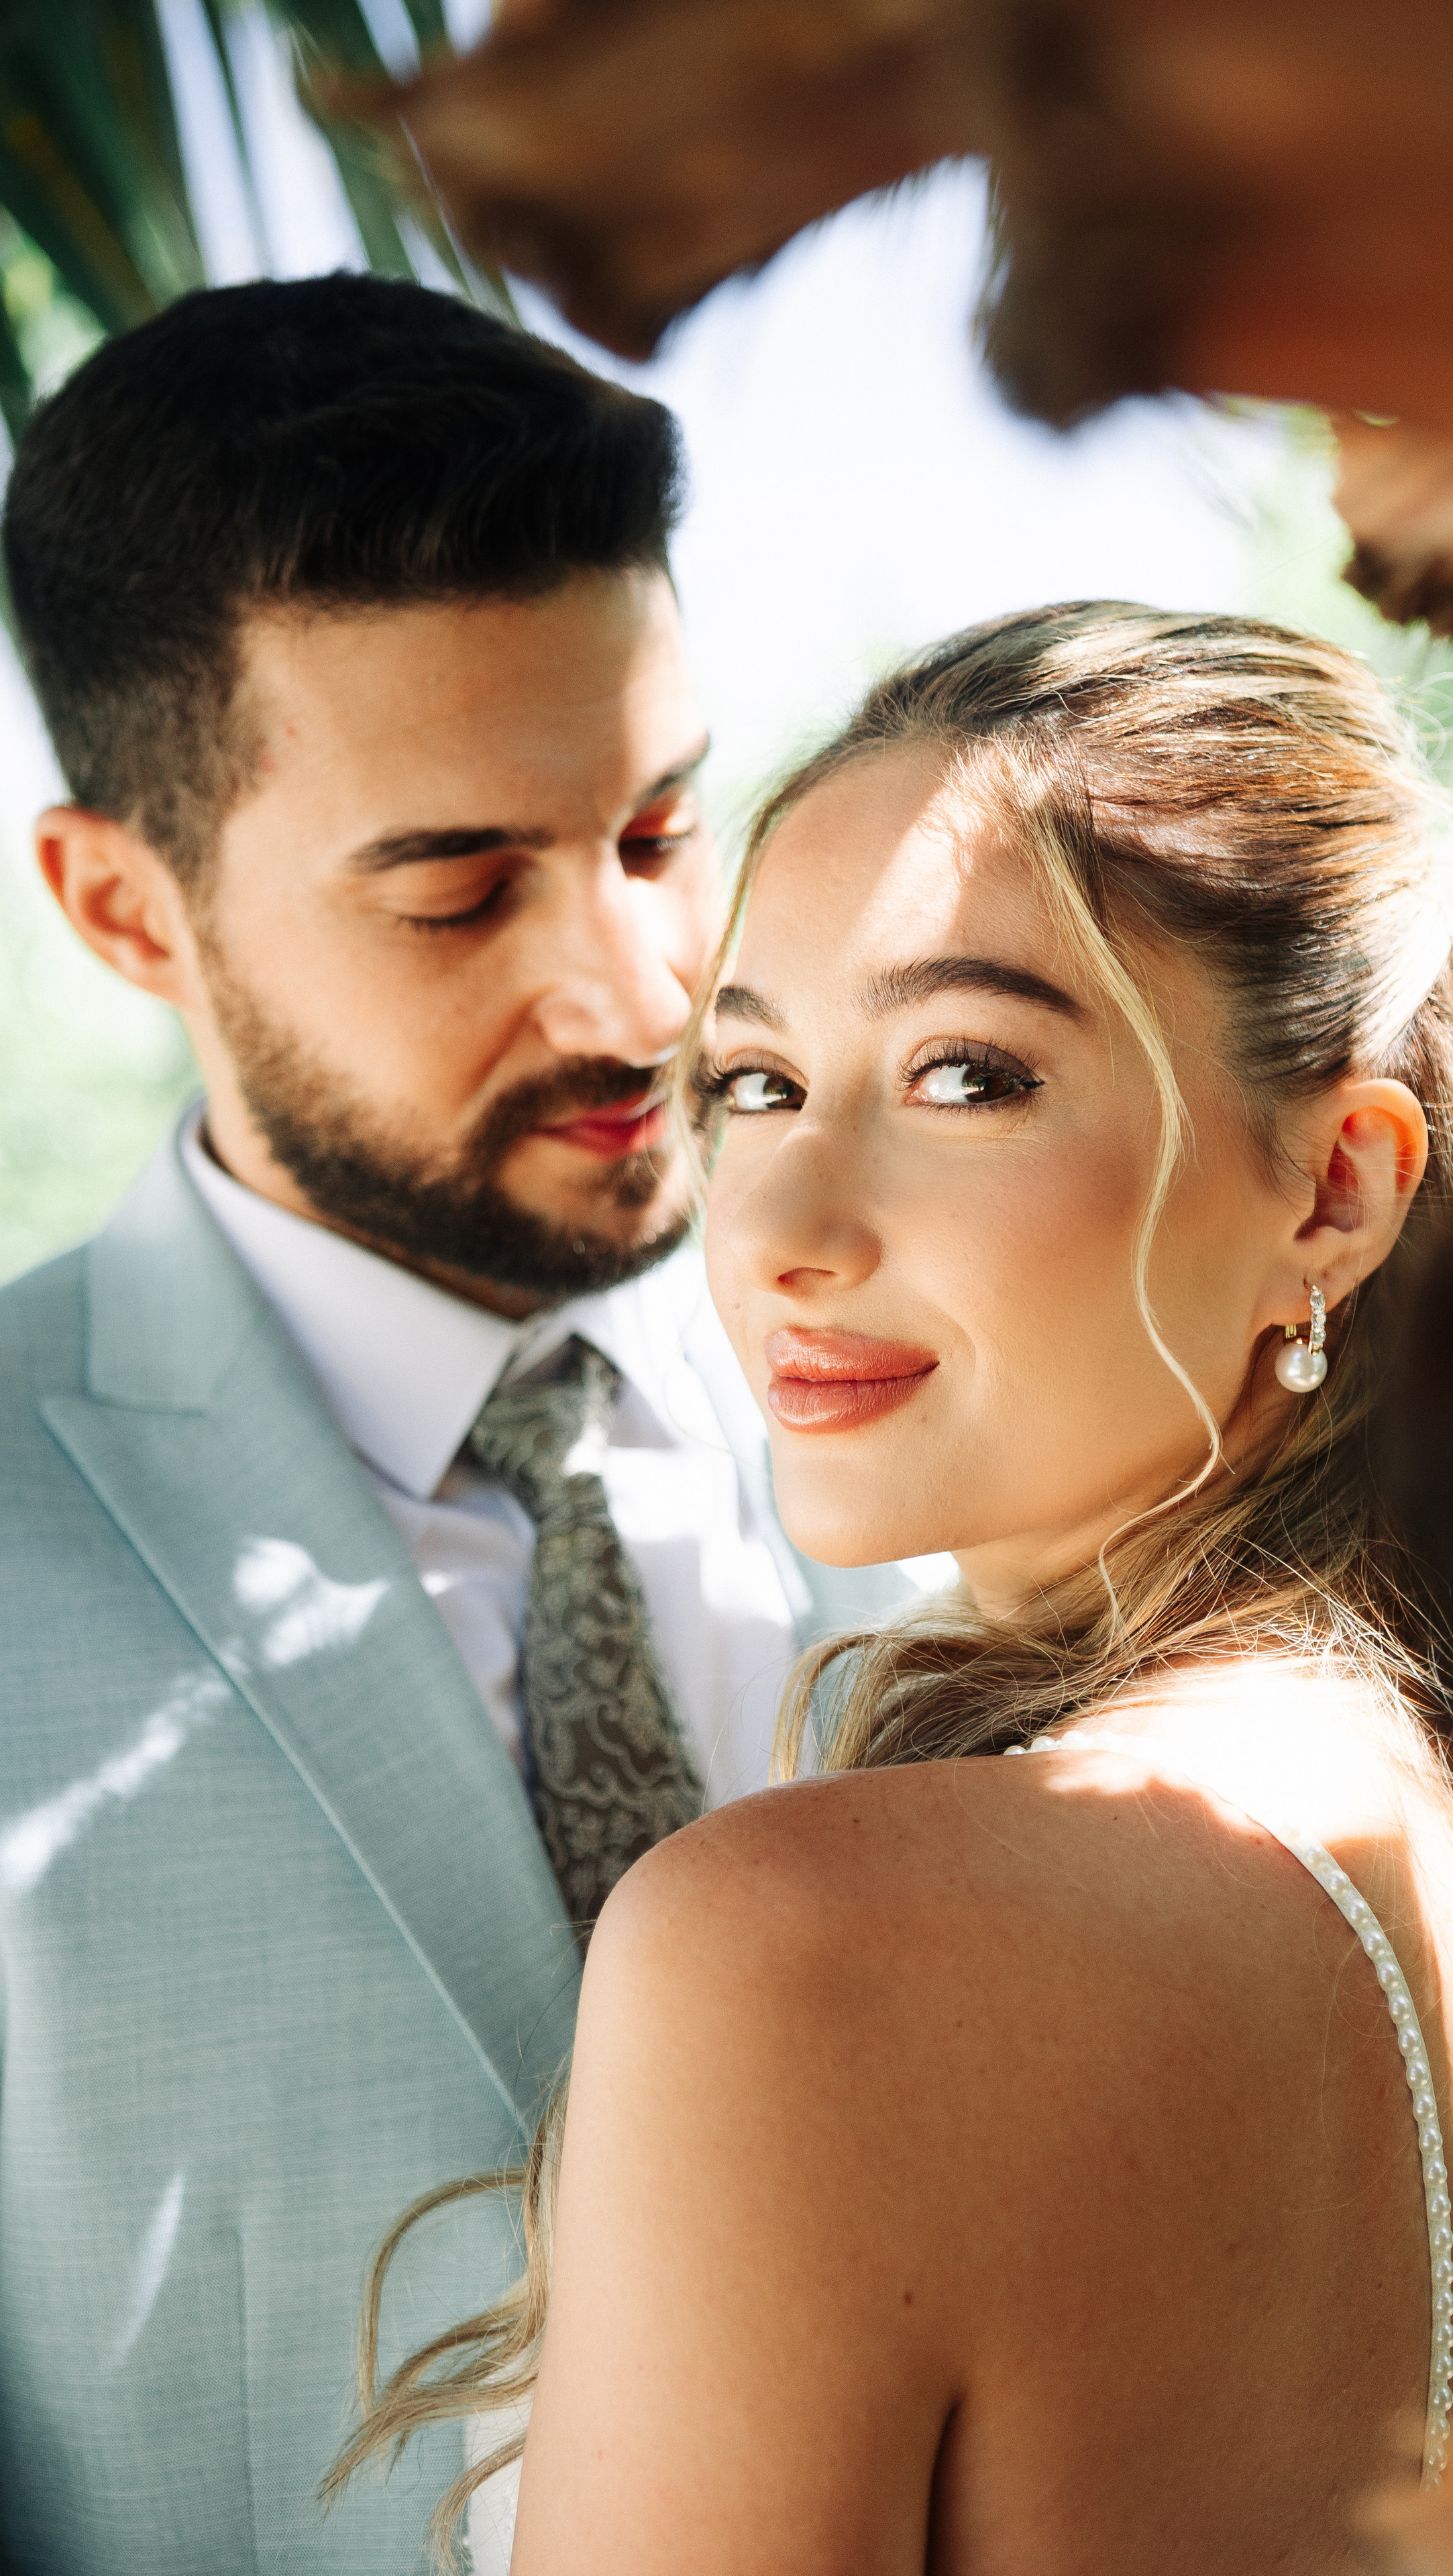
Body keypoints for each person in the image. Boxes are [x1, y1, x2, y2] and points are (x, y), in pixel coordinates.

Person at [345, 604, 1453, 2574]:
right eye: (753, 1086)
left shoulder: (801, 1951)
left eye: (967, 1074)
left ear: (1331, 1188)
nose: (787, 1235)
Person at [0, 273, 910, 2576]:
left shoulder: (977, 1417)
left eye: (657, 831)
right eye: (456, 889)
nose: (636, 990)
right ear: (125, 910)